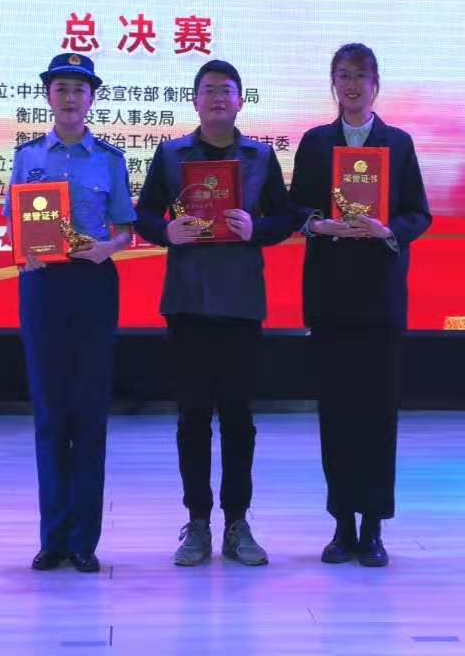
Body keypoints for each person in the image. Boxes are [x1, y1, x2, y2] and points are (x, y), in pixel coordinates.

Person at [134, 59, 302, 567]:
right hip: (187, 301)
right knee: (192, 417)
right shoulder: (171, 155)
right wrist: (166, 231)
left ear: (240, 101)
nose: (217, 98)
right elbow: (143, 213)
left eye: (226, 90)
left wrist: (258, 228)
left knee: (238, 418)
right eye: (208, 90)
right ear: (195, 100)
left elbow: (285, 217)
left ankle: (237, 521)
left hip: (241, 302)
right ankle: (197, 522)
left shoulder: (260, 156)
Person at [289, 43, 432, 568]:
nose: (352, 86)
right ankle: (341, 524)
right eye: (343, 76)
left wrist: (386, 229)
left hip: (380, 298)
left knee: (377, 414)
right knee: (335, 414)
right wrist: (318, 224)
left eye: (361, 77)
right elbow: (295, 208)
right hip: (330, 297)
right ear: (334, 84)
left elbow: (419, 214)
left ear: (376, 85)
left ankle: (373, 526)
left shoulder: (399, 143)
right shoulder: (315, 142)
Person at [3, 53, 136, 574]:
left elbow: (126, 230)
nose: (70, 97)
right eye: (61, 88)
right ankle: (52, 538)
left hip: (93, 284)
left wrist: (108, 248)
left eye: (80, 89)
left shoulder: (110, 159)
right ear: (48, 96)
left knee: (89, 413)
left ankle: (84, 542)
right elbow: (12, 224)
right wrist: (25, 248)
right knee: (50, 413)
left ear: (92, 99)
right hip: (42, 287)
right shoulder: (27, 156)